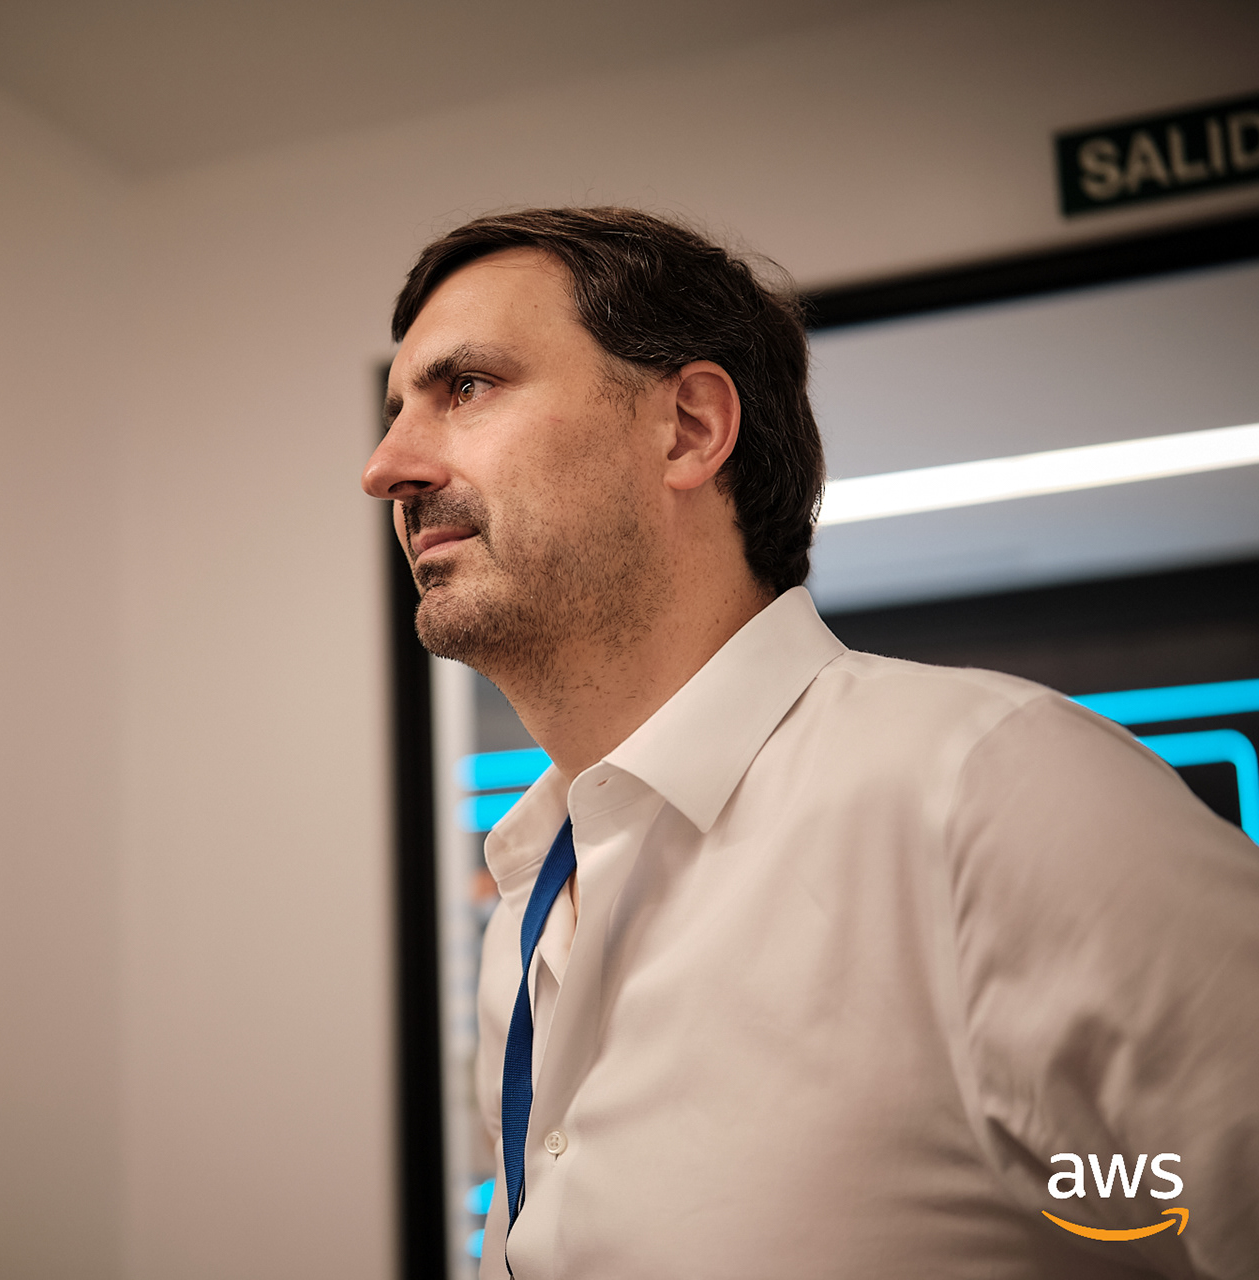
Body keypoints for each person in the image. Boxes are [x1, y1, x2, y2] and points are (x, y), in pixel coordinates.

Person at [362, 208, 1259, 1279]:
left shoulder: (992, 797)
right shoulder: (532, 907)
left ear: (689, 427)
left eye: (467, 387)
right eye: (397, 410)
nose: (386, 466)